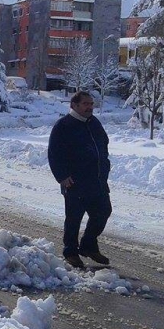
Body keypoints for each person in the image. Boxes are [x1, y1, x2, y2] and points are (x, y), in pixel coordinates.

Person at [48, 91, 112, 269]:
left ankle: (88, 246)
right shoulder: (64, 125)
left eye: (91, 104)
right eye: (85, 104)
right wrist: (62, 176)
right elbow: (54, 154)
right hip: (74, 182)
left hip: (97, 181)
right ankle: (71, 252)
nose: (90, 107)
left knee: (103, 211)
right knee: (74, 218)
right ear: (74, 105)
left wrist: (105, 165)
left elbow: (103, 145)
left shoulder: (94, 123)